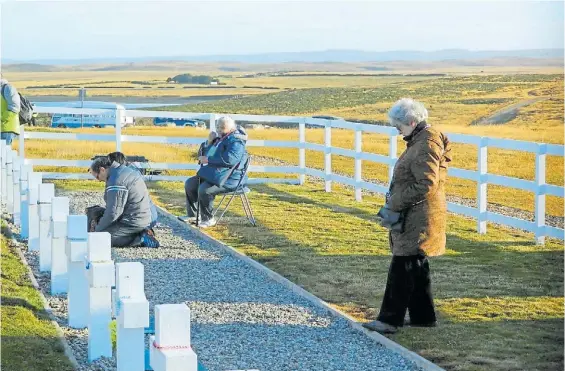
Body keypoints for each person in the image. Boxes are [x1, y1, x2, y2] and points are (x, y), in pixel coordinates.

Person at [363, 98, 452, 334]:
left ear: (412, 122)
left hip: (418, 215)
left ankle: (389, 320)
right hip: (417, 213)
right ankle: (424, 317)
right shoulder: (420, 140)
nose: (397, 130)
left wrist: (395, 202)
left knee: (403, 264)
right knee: (416, 264)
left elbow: (426, 184)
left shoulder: (426, 143)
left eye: (398, 126)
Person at [183, 116, 248, 228]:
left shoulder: (236, 141)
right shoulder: (220, 139)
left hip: (232, 178)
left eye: (222, 127)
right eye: (218, 126)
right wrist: (209, 142)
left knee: (205, 189)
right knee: (190, 183)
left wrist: (208, 160)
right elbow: (206, 154)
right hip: (217, 174)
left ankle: (208, 218)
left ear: (231, 128)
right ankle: (194, 215)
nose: (219, 129)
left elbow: (230, 160)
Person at [88, 156, 160, 248]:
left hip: (133, 220)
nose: (99, 180)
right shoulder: (121, 171)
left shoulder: (116, 180)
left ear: (102, 169)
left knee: (101, 238)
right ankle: (141, 231)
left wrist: (97, 230)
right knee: (95, 212)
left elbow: (113, 213)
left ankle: (140, 239)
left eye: (97, 177)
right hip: (137, 216)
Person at [107, 151, 159, 229]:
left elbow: (117, 206)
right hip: (151, 215)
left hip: (142, 219)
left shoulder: (121, 177)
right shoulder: (132, 171)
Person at [0, 78, 21, 145]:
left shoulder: (7, 88)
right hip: (3, 128)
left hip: (7, 128)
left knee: (4, 153)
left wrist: (3, 119)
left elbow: (15, 107)